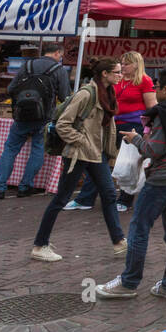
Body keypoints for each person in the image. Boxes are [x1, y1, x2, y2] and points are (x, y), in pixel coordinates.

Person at [94, 68, 166, 300]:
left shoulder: (165, 114)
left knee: (139, 229)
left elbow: (154, 149)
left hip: (162, 180)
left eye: (157, 86)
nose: (153, 90)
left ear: (165, 89)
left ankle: (129, 282)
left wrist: (136, 140)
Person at [30, 58, 127, 262]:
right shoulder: (86, 94)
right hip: (79, 154)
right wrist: (81, 141)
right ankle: (40, 245)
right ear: (105, 74)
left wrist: (109, 152)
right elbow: (63, 124)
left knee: (109, 194)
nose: (121, 75)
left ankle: (119, 242)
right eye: (117, 72)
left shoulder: (108, 94)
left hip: (95, 154)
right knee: (61, 199)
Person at [0, 42, 71, 200]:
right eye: (60, 56)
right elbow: (65, 97)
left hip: (22, 116)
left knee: (10, 149)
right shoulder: (59, 70)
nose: (60, 58)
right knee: (37, 150)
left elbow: (10, 89)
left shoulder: (27, 66)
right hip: (44, 116)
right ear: (56, 53)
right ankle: (25, 186)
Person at [67, 50, 156, 212]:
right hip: (112, 124)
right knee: (98, 159)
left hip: (133, 126)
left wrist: (148, 130)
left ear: (136, 64)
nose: (123, 66)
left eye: (126, 64)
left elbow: (152, 106)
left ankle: (125, 200)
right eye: (122, 63)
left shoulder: (145, 81)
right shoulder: (117, 80)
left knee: (129, 163)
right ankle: (86, 198)